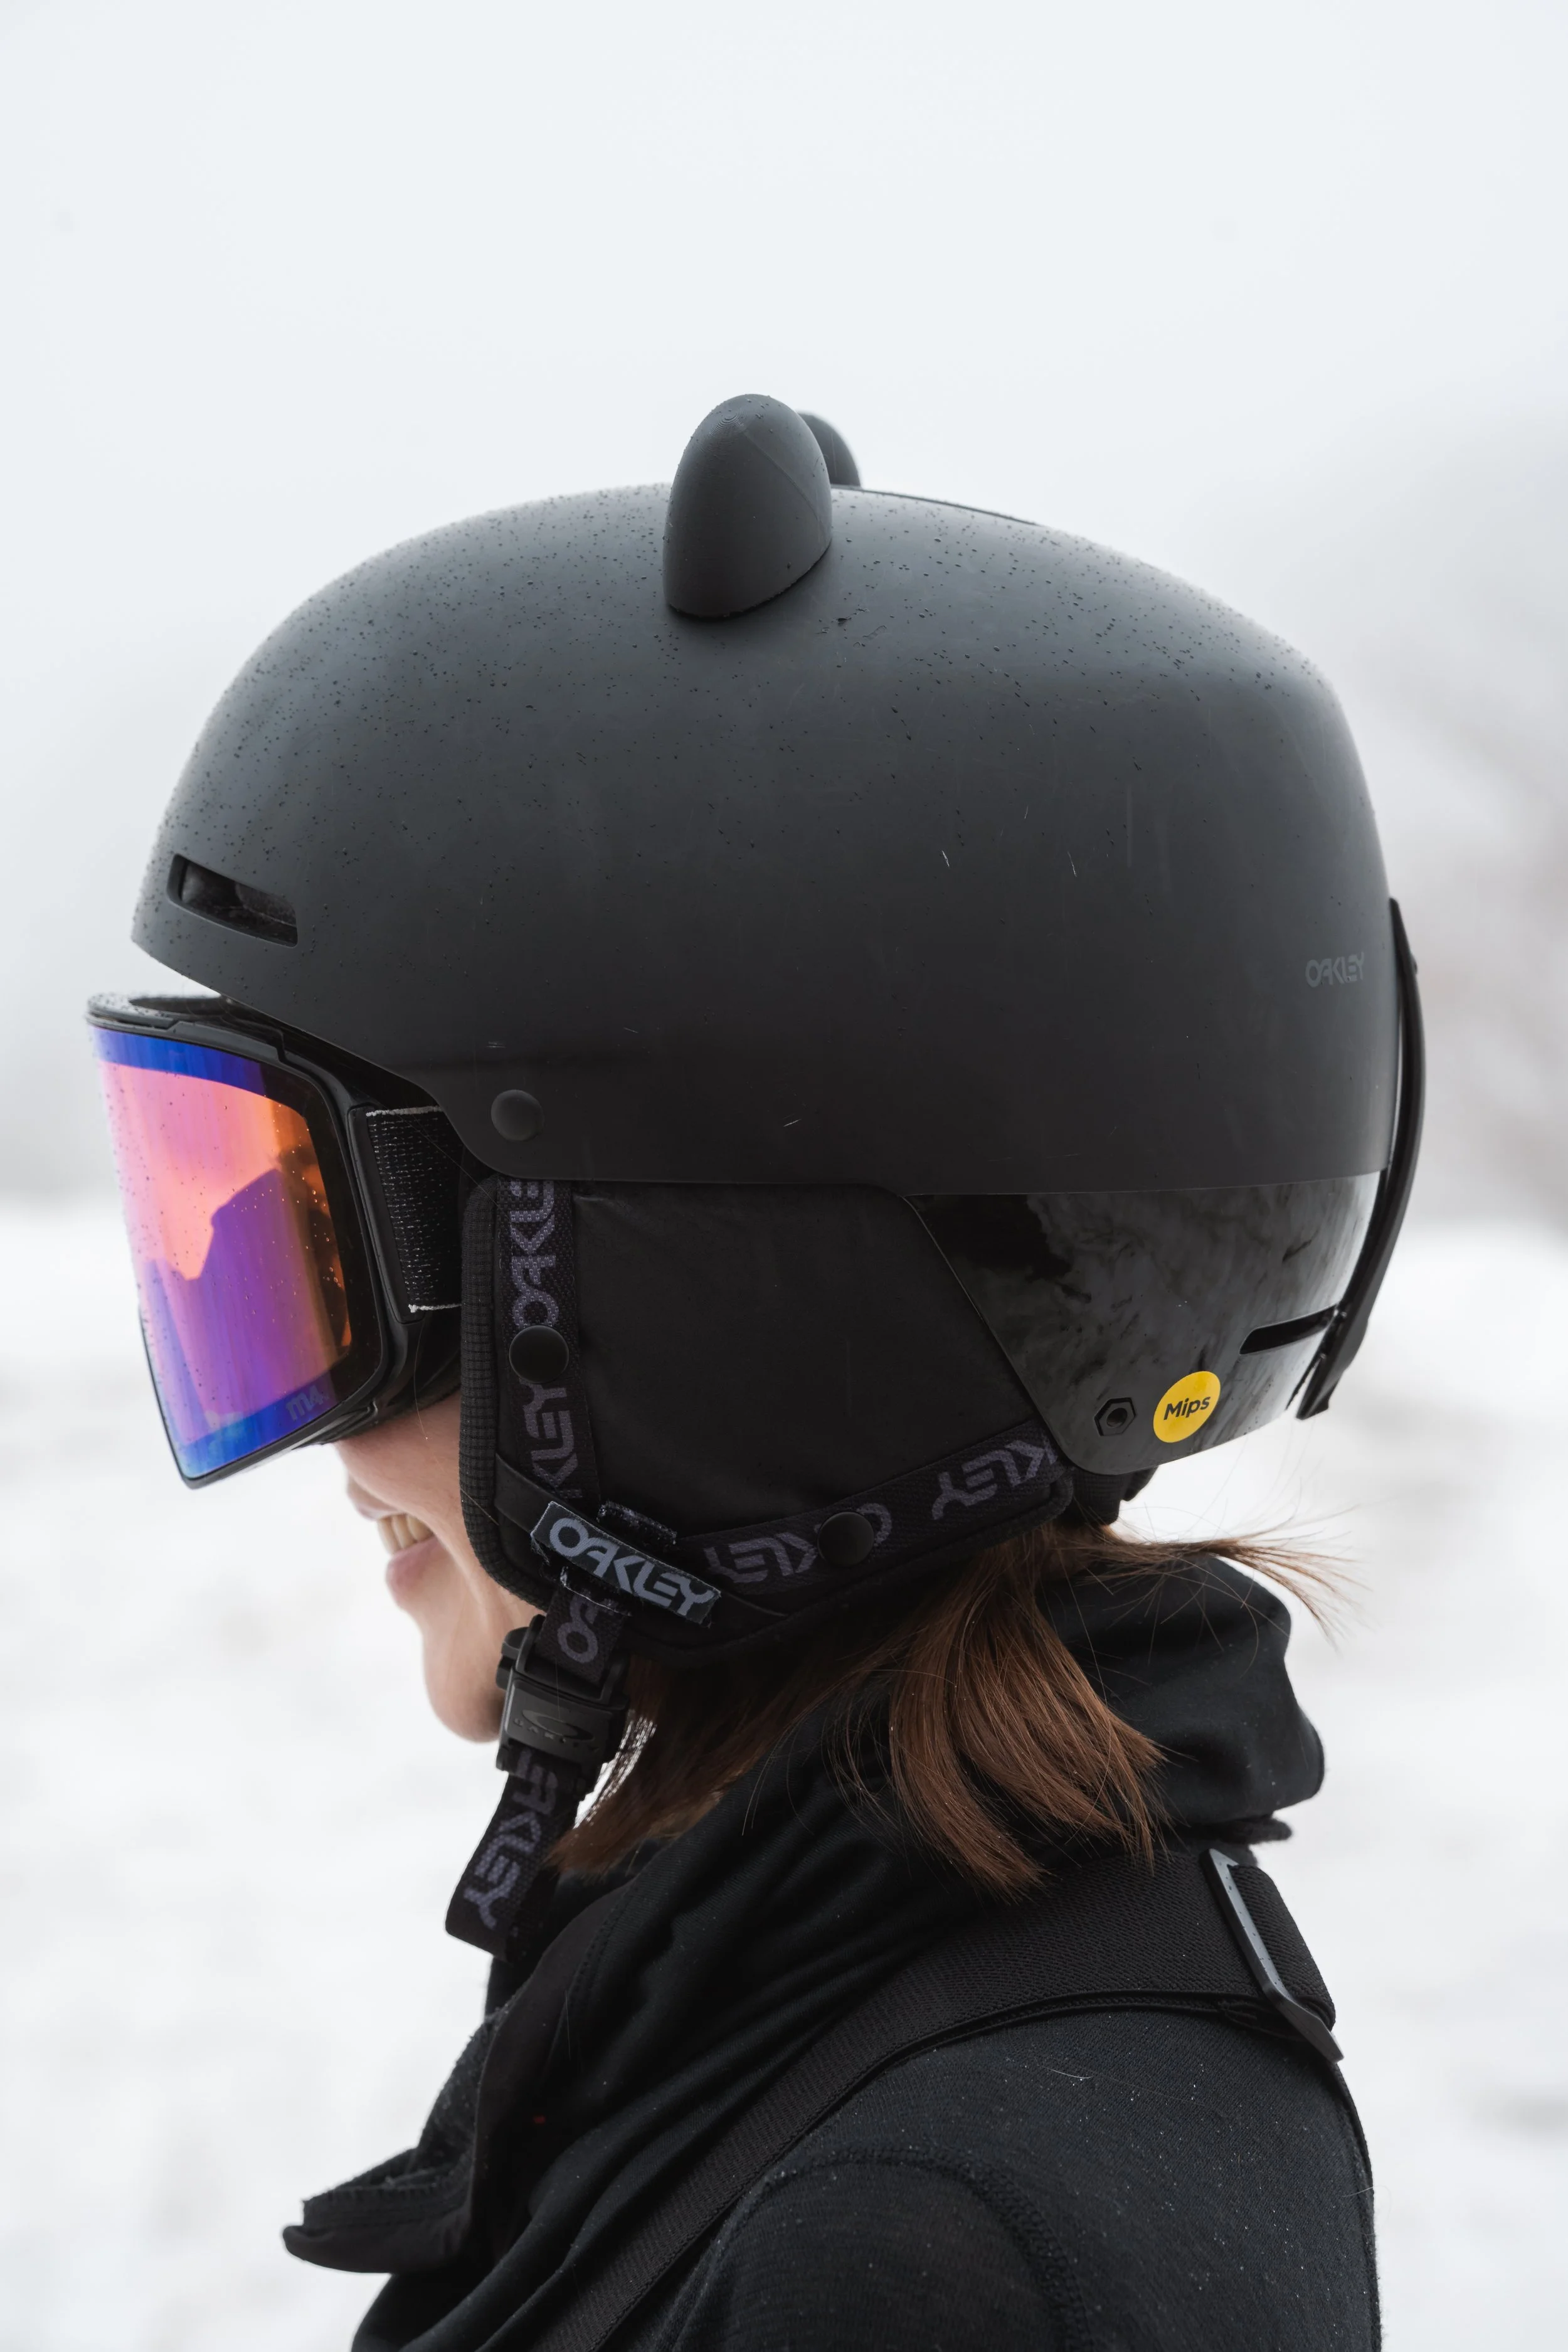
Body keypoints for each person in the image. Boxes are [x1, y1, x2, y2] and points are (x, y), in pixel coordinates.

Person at [91, 396, 1420, 2350]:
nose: (321, 1447)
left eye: (321, 1267)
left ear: (713, 1307)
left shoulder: (944, 2253)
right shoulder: (793, 1985)